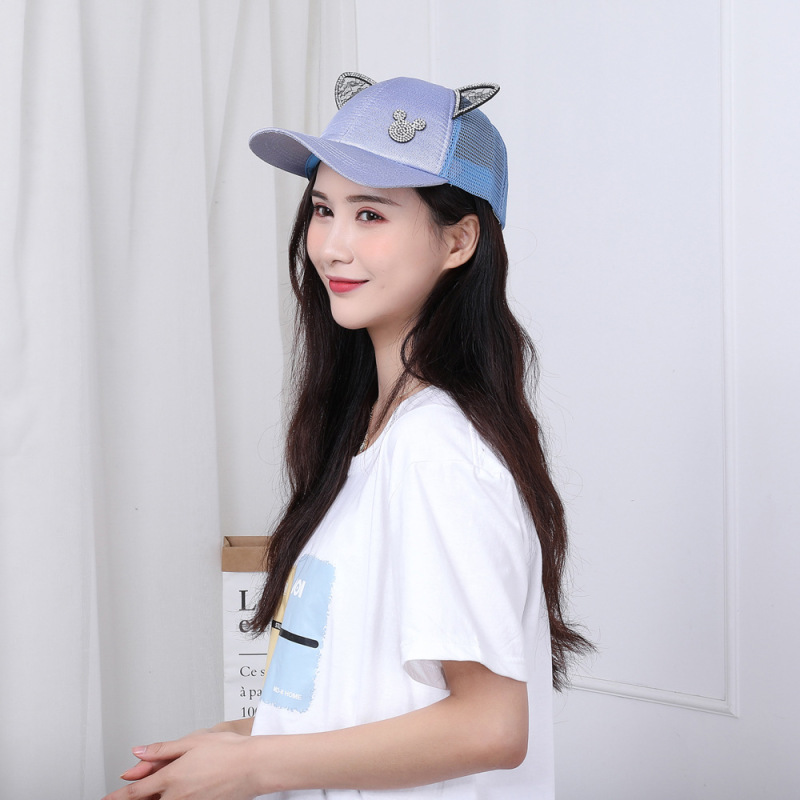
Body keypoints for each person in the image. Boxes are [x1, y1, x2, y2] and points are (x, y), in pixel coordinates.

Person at [105, 73, 590, 800]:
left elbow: (490, 727)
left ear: (459, 240)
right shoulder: (372, 435)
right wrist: (231, 742)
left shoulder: (438, 450)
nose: (331, 245)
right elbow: (361, 695)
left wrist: (250, 767)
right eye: (323, 209)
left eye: (370, 214)